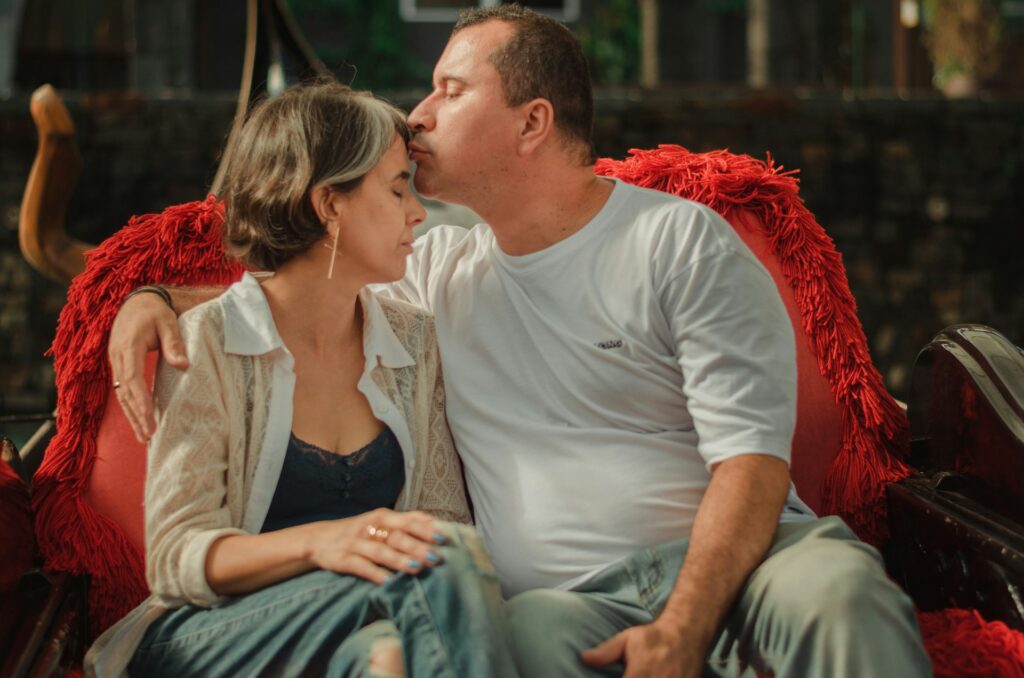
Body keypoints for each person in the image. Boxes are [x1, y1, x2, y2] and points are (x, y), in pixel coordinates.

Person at [108, 6, 931, 677]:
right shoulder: (436, 267)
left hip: (753, 566)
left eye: (449, 90)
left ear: (533, 121)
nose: (416, 116)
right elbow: (299, 280)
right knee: (525, 642)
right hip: (563, 604)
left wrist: (683, 628)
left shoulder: (680, 242)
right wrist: (151, 295)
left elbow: (752, 463)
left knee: (841, 595)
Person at [87, 81, 518, 678]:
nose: (418, 212)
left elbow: (439, 520)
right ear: (328, 205)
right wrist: (323, 544)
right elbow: (175, 559)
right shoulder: (210, 342)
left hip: (363, 623)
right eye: (397, 189)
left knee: (388, 656)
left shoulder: (413, 343)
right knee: (438, 566)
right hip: (208, 636)